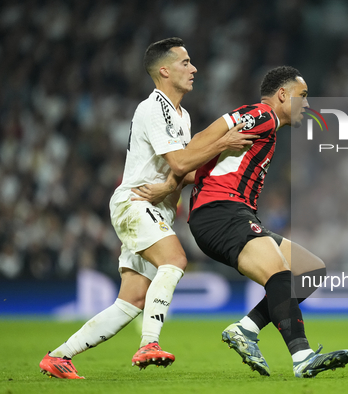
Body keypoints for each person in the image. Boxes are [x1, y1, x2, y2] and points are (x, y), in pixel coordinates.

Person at [39, 37, 255, 379]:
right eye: (185, 62)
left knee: (132, 301)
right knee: (176, 260)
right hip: (136, 202)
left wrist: (178, 180)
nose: (194, 68)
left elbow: (182, 172)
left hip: (153, 208)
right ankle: (149, 343)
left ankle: (60, 356)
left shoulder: (180, 115)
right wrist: (222, 142)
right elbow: (181, 161)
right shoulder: (154, 107)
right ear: (164, 70)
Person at [137, 66, 348, 378]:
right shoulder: (263, 115)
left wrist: (172, 184)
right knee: (279, 272)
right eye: (302, 96)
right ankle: (302, 356)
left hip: (231, 213)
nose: (307, 105)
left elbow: (201, 162)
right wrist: (174, 178)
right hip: (221, 212)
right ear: (283, 95)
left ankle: (246, 329)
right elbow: (200, 141)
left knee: (309, 271)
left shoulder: (267, 126)